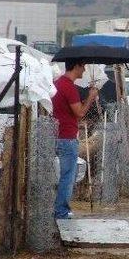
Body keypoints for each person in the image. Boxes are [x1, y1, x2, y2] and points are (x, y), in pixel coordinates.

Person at [52, 59, 99, 219]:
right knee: (68, 175)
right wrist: (91, 97)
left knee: (64, 174)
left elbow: (72, 112)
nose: (84, 70)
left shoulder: (58, 84)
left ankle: (60, 208)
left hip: (58, 134)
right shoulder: (68, 87)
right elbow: (79, 113)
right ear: (77, 66)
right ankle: (62, 211)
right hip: (67, 137)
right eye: (83, 66)